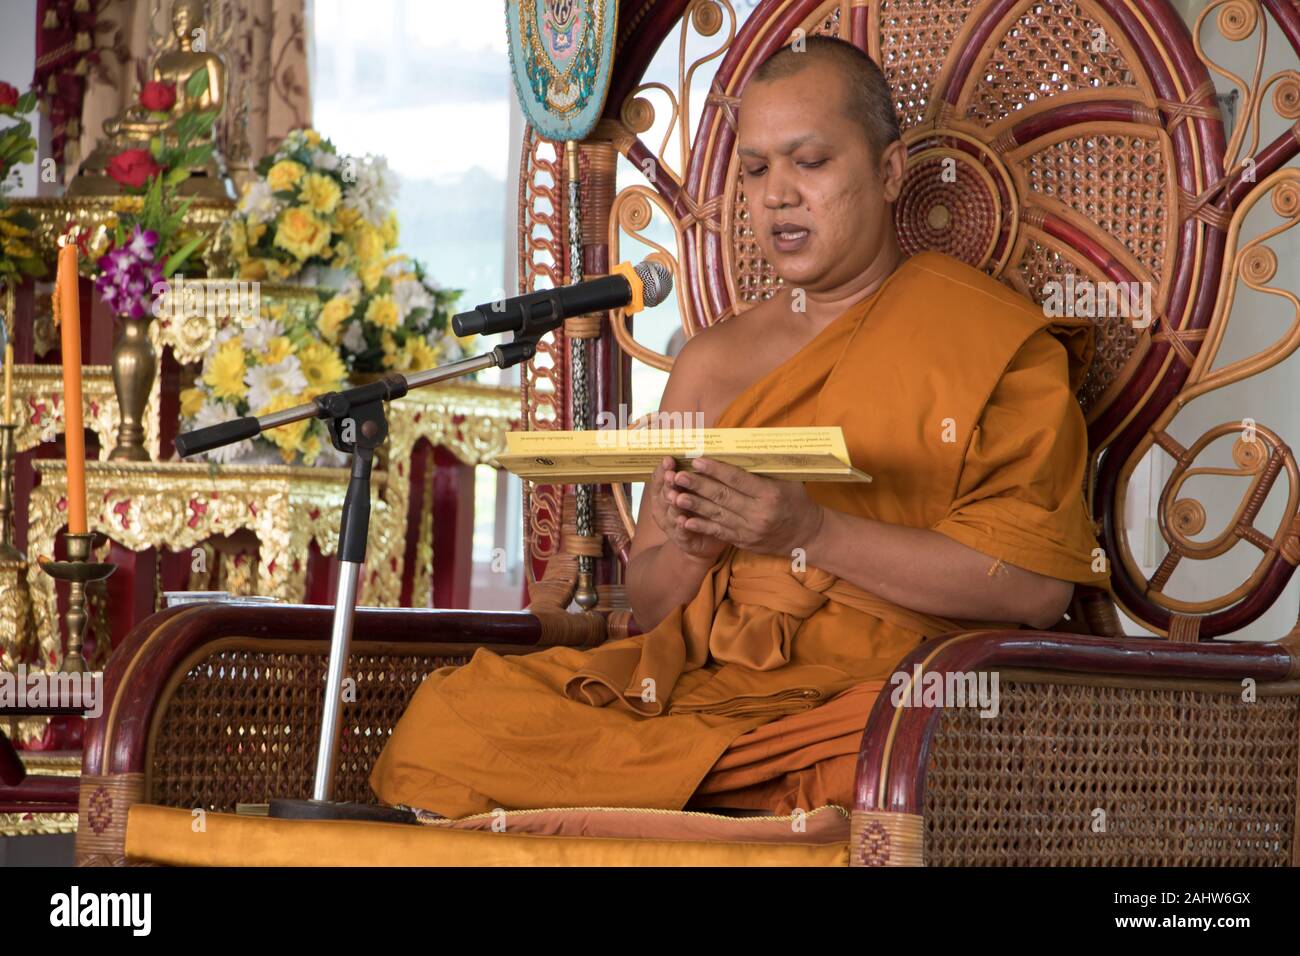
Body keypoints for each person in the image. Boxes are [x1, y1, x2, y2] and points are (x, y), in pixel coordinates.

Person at [369, 35, 1109, 818]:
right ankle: (695, 804)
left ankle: (678, 806)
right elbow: (653, 605)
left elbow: (1032, 586)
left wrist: (811, 531)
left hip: (871, 701)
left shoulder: (991, 343)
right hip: (699, 696)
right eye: (755, 171)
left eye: (810, 163)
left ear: (890, 173)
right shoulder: (714, 364)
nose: (777, 195)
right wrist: (692, 549)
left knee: (893, 758)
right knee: (448, 720)